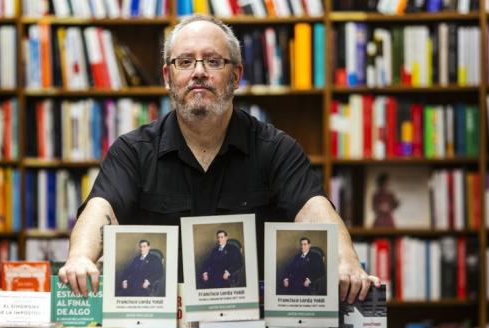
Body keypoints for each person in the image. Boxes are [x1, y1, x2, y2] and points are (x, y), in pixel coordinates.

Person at [58, 14, 380, 303]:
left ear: (236, 75)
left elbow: (313, 208)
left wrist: (345, 260)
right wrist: (81, 256)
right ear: (168, 77)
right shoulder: (133, 151)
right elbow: (102, 208)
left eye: (213, 61)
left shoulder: (275, 149)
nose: (199, 72)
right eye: (185, 62)